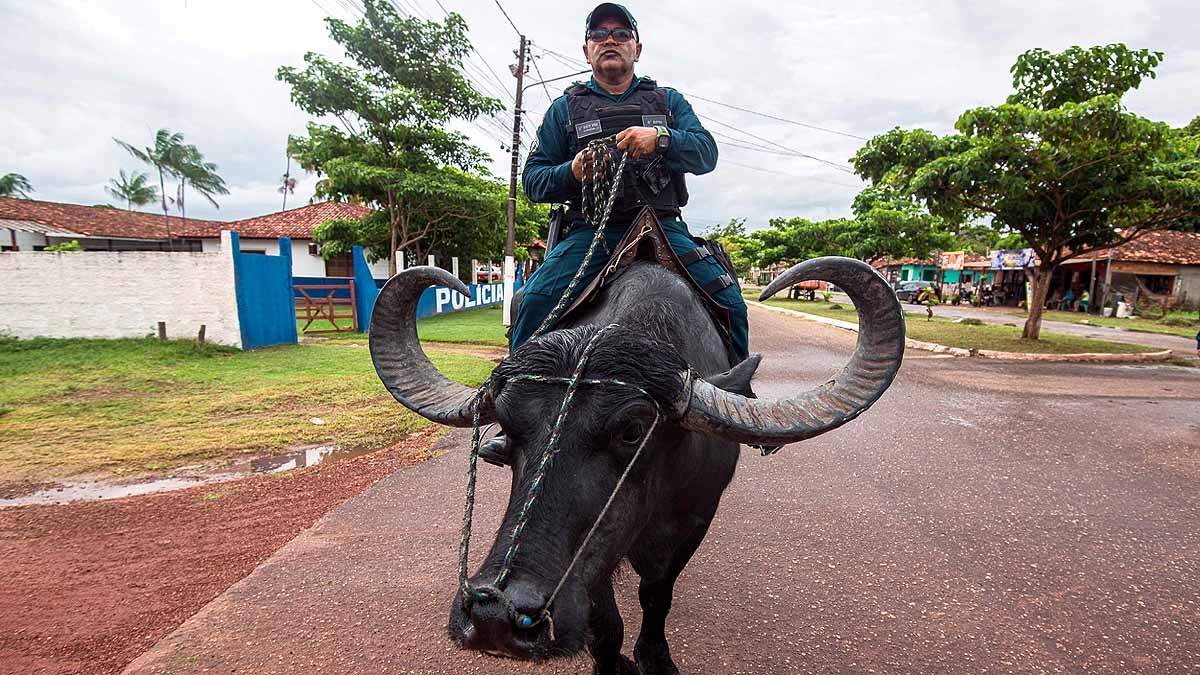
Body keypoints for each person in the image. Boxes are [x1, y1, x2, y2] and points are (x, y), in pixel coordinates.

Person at [480, 3, 747, 466]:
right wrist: (574, 169)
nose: (610, 40)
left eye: (620, 33)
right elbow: (535, 180)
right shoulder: (564, 109)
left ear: (636, 48)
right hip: (592, 231)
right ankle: (513, 419)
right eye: (599, 34)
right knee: (534, 302)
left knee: (730, 301)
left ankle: (740, 407)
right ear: (586, 50)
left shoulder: (667, 102)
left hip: (662, 226)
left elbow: (706, 153)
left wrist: (660, 139)